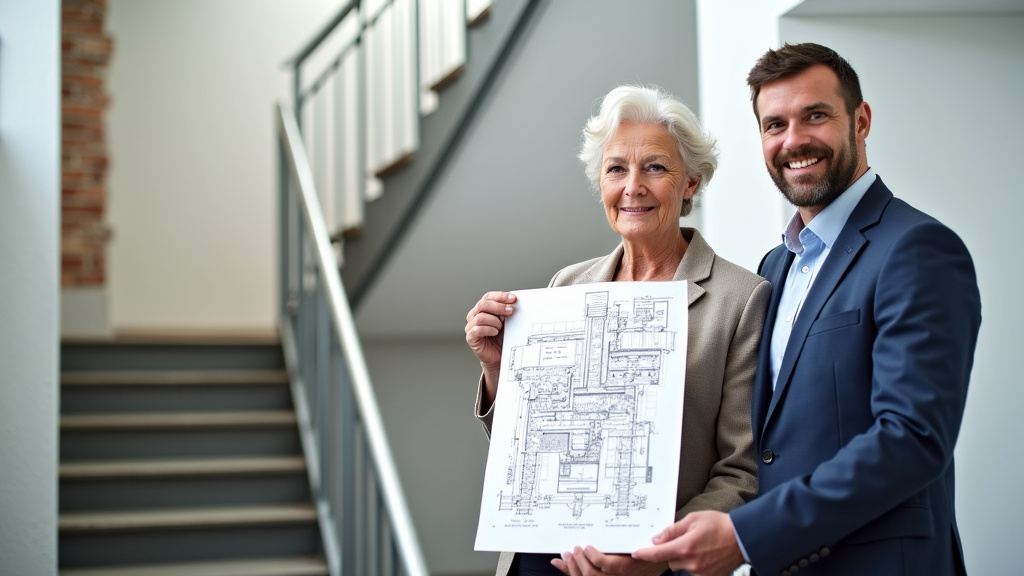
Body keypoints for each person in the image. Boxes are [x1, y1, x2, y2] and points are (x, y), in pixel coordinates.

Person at [632, 43, 982, 576]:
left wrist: (747, 535)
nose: (793, 140)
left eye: (815, 116)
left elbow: (912, 438)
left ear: (860, 121)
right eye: (775, 125)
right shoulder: (775, 267)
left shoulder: (917, 249)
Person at [464, 84, 770, 576]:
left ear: (690, 183)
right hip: (539, 557)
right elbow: (526, 446)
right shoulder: (566, 285)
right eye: (616, 169)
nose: (633, 187)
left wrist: (656, 557)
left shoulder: (741, 298)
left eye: (655, 167)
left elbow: (742, 471)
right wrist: (498, 370)